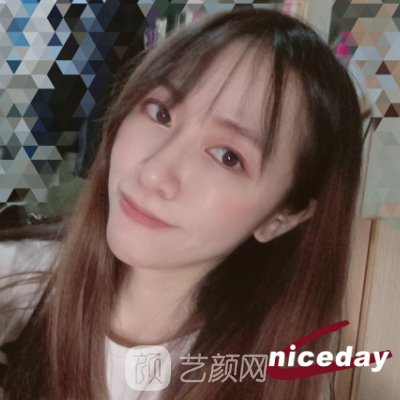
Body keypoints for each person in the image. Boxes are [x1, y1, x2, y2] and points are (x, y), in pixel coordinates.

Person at [0, 7, 363, 400]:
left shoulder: (272, 384)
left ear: (281, 217)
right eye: (160, 113)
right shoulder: (15, 286)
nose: (154, 172)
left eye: (227, 156)